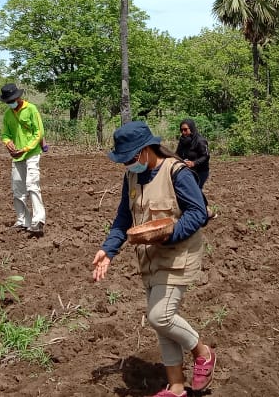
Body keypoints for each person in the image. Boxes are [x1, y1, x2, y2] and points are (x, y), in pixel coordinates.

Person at [93, 121, 217, 397]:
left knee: (160, 316)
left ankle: (202, 352)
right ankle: (175, 387)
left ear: (146, 150)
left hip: (178, 254)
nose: (127, 164)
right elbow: (124, 218)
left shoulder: (177, 172)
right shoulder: (132, 177)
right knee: (161, 322)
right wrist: (108, 250)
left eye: (130, 158)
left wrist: (168, 236)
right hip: (149, 258)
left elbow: (198, 213)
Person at [0, 83, 46, 236]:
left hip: (31, 153)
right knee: (18, 188)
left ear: (18, 97)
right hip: (17, 156)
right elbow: (5, 134)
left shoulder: (31, 109)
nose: (10, 103)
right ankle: (22, 220)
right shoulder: (7, 114)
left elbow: (39, 132)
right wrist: (8, 144)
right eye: (8, 101)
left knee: (32, 185)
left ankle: (38, 220)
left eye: (12, 100)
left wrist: (25, 149)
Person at [175, 118, 210, 189]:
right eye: (181, 130)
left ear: (191, 128)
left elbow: (206, 156)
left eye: (185, 130)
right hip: (187, 170)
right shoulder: (182, 140)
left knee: (195, 190)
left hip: (200, 172)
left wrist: (194, 163)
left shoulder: (200, 141)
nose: (183, 132)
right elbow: (177, 153)